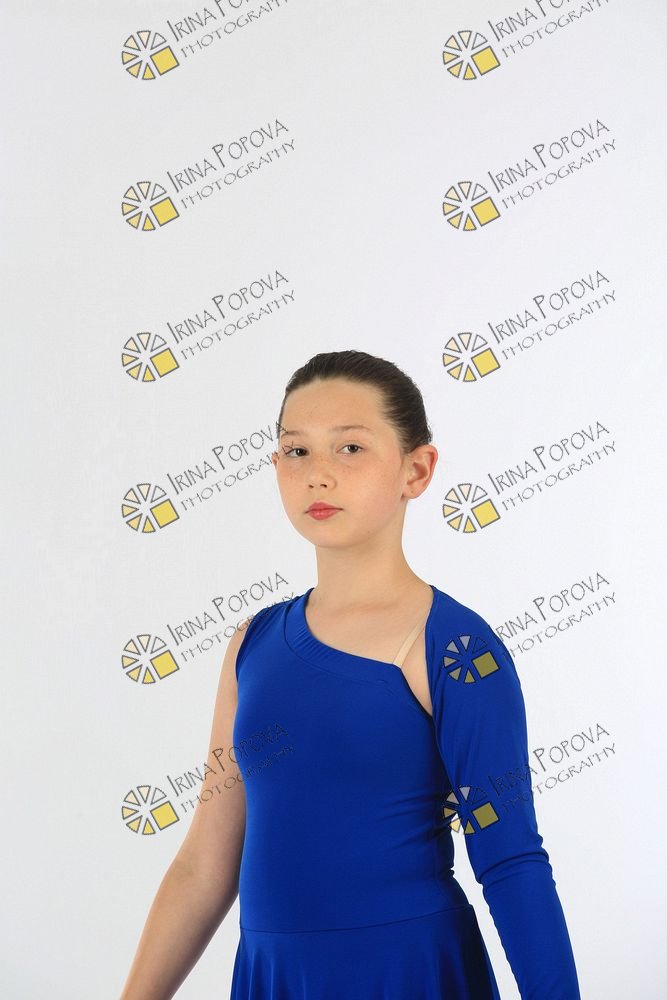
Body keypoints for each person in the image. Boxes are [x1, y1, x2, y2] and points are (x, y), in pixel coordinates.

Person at [119, 350, 581, 1000]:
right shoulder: (252, 643)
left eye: (351, 448)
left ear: (416, 470)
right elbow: (204, 864)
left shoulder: (454, 646)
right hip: (273, 978)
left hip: (408, 974)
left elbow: (509, 858)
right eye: (297, 451)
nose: (318, 475)